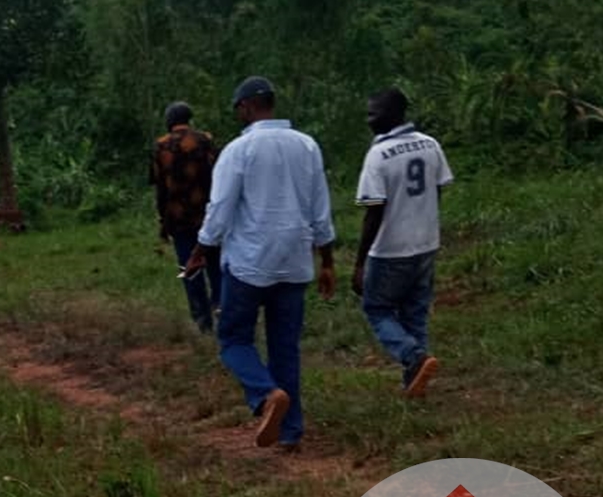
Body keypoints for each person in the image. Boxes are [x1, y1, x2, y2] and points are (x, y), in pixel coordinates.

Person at [186, 77, 336, 449]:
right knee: (285, 347)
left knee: (233, 339)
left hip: (250, 264)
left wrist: (200, 249)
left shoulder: (238, 151)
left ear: (246, 108)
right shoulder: (307, 145)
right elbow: (321, 208)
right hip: (296, 261)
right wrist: (328, 260)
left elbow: (219, 210)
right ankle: (290, 433)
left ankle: (266, 394)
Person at [352, 88, 453, 397]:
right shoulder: (430, 144)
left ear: (395, 113)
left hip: (390, 249)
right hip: (425, 243)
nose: (370, 120)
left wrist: (360, 262)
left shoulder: (378, 154)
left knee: (376, 308)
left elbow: (374, 211)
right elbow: (437, 191)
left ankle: (414, 357)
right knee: (415, 312)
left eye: (375, 113)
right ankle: (415, 382)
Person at [150, 101, 221, 333]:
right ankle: (221, 309)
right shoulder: (205, 141)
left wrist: (163, 221)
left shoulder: (161, 147)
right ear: (189, 119)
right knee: (215, 267)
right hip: (209, 217)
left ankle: (202, 321)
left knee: (189, 269)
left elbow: (160, 188)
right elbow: (219, 177)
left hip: (178, 219)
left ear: (169, 121)